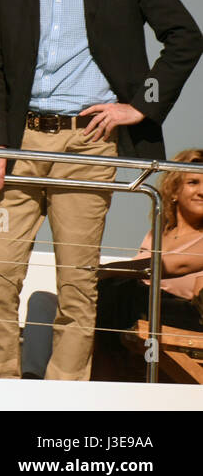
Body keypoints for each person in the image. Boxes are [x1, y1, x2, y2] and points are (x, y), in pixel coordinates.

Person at [0, 0, 203, 380]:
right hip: (19, 143)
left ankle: (63, 400)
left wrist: (140, 105)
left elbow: (185, 36)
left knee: (77, 282)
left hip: (88, 143)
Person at [94, 150, 203, 369]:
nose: (202, 192)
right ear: (173, 191)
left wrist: (97, 271)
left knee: (114, 290)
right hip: (142, 305)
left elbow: (174, 266)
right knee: (51, 300)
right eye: (193, 182)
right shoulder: (157, 233)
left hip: (183, 314)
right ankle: (36, 375)